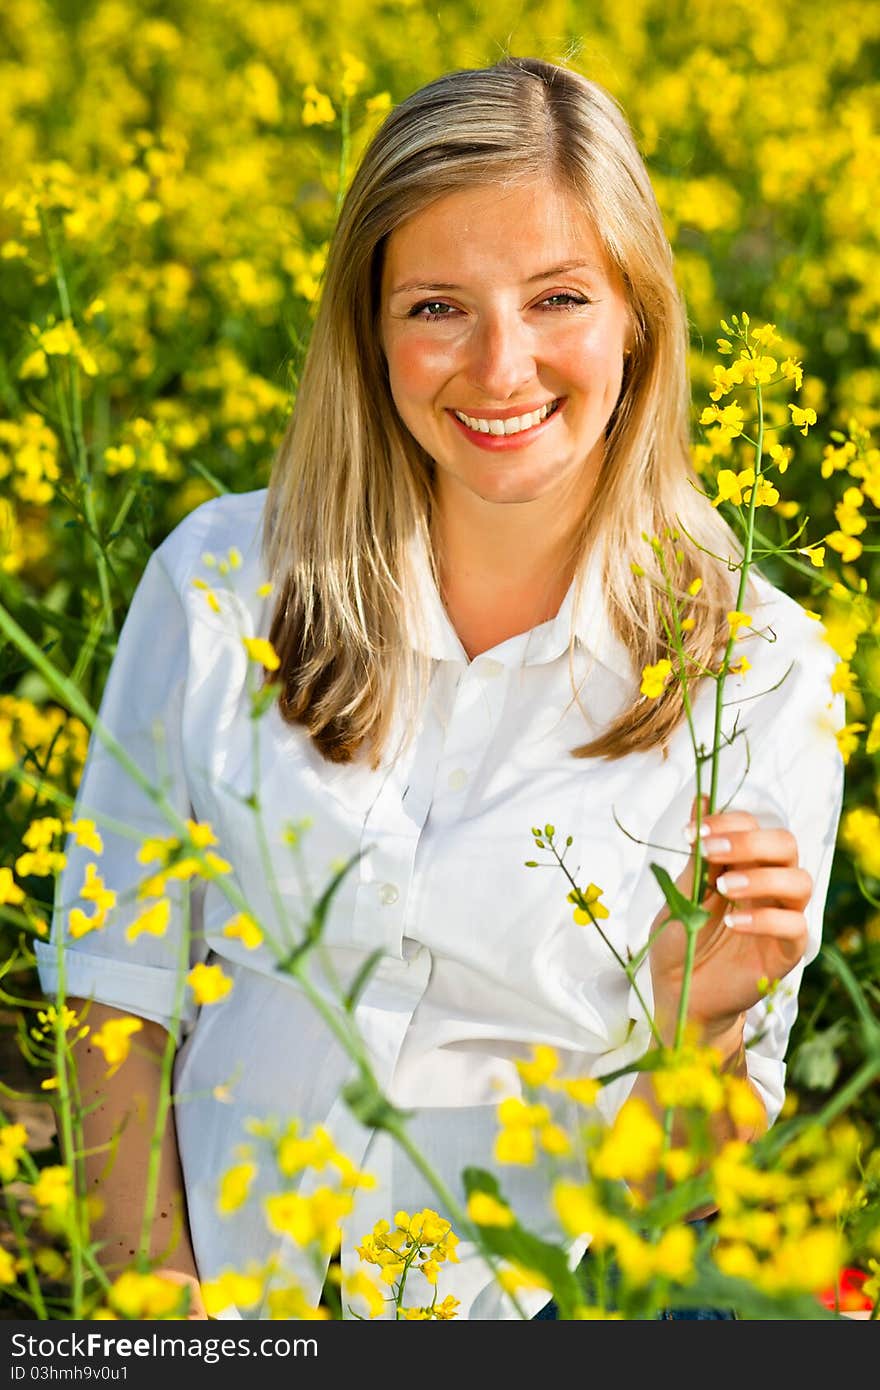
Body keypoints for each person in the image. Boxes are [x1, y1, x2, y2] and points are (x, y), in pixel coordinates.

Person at [36, 56, 844, 1321]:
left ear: (639, 315)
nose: (500, 366)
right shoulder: (217, 579)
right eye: (435, 308)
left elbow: (690, 1209)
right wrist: (173, 1326)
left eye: (558, 296)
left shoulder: (761, 671)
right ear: (369, 327)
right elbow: (114, 1000)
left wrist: (702, 1032)